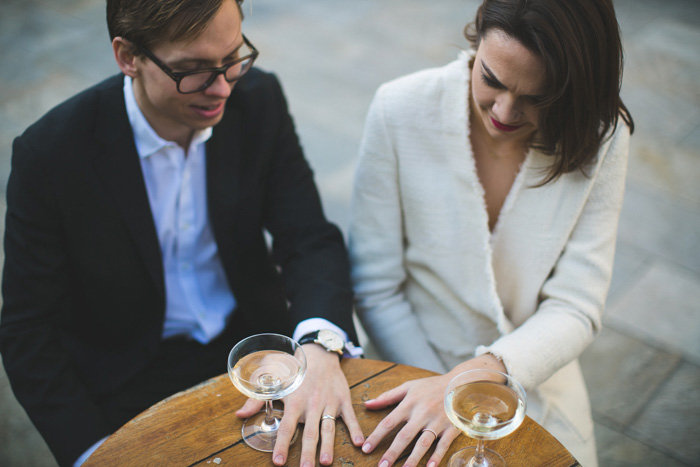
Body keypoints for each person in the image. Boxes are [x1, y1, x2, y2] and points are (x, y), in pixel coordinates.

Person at [0, 1, 366, 466]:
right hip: (124, 378)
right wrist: (93, 453)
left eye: (233, 57)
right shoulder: (50, 154)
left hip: (256, 352)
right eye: (191, 70)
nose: (222, 88)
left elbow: (309, 237)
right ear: (127, 56)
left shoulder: (259, 98)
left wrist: (318, 345)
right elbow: (27, 331)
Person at [348, 0, 634, 466]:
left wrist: (483, 376)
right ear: (476, 38)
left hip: (531, 376)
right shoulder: (398, 109)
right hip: (412, 364)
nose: (504, 110)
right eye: (491, 79)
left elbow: (577, 305)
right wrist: (442, 391)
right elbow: (376, 287)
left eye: (537, 98)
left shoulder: (603, 135)